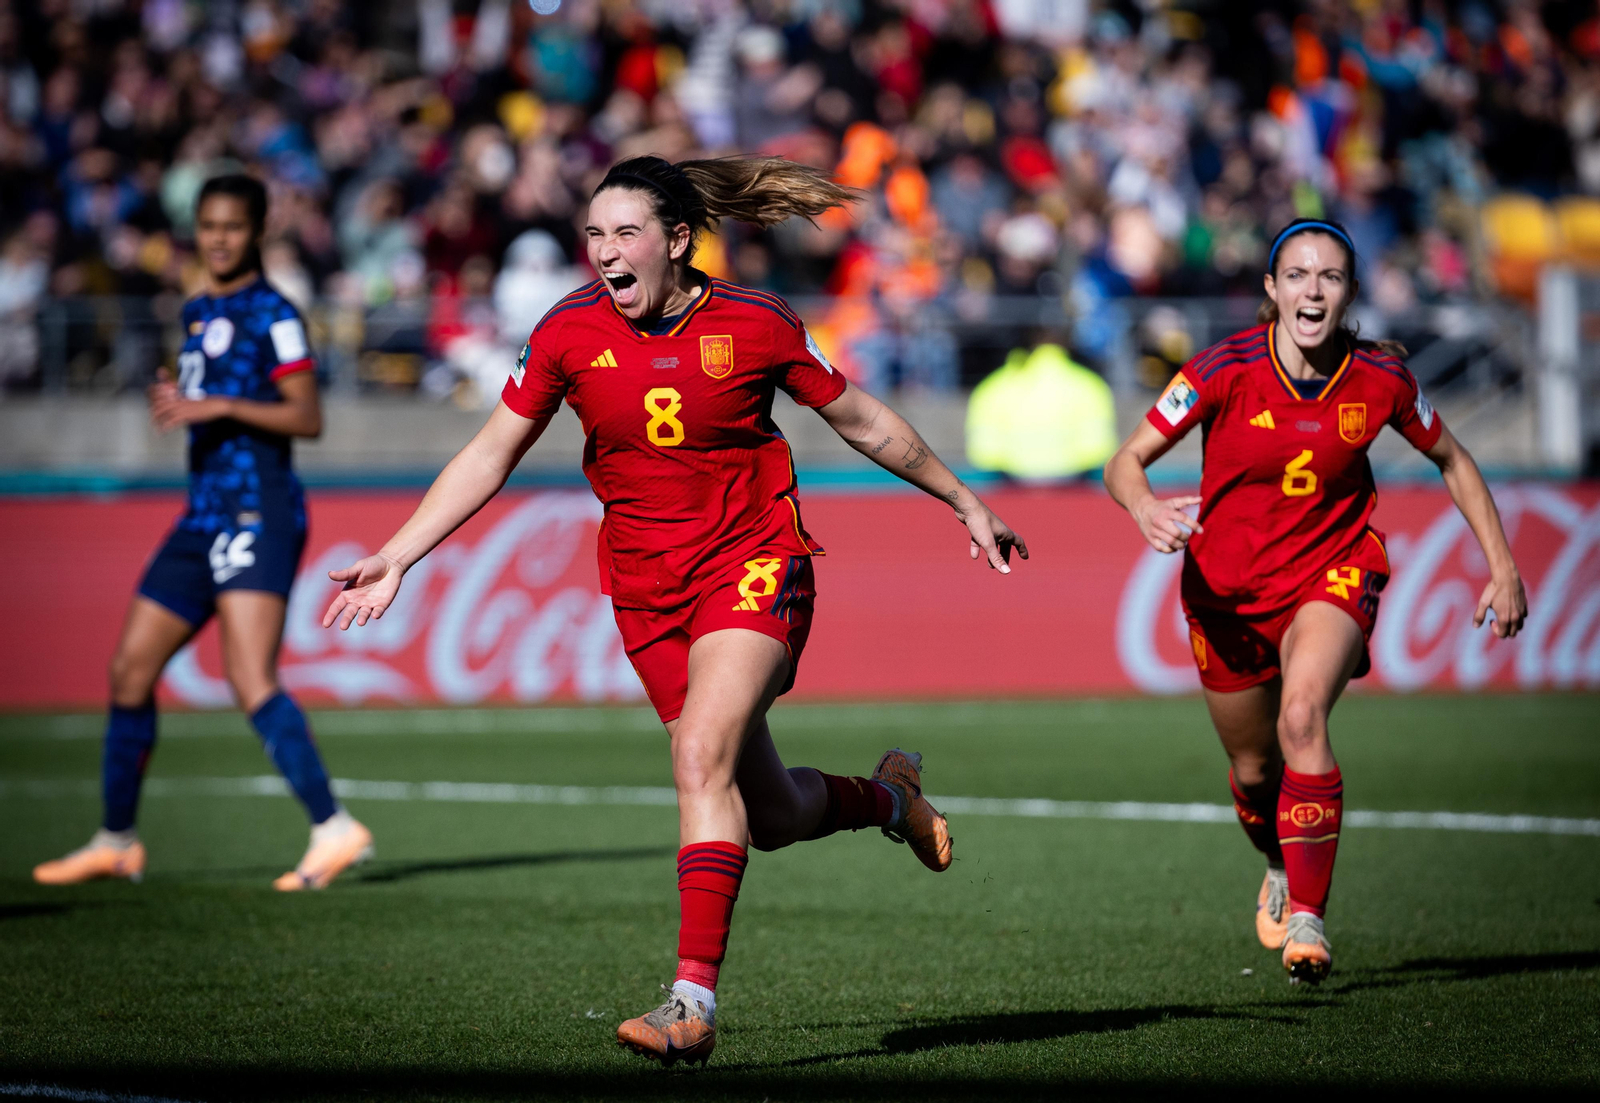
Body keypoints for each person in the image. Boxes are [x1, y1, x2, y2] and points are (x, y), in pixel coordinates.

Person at [321, 155, 1027, 1065]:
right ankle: (893, 798)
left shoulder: (756, 322)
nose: (605, 253)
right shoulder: (568, 332)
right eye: (594, 235)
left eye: (625, 234)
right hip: (647, 593)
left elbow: (862, 420)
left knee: (700, 753)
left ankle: (690, 1003)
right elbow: (491, 451)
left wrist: (963, 499)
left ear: (677, 241)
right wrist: (398, 555)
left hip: (757, 562)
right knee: (766, 814)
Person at [1103, 218, 1527, 984]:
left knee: (1303, 715)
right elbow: (1125, 459)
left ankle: (1309, 918)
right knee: (1254, 768)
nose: (1313, 289)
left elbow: (1454, 461)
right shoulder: (1220, 368)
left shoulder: (1382, 379)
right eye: (1297, 274)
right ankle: (1275, 859)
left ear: (1349, 292)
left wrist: (1502, 565)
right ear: (1271, 290)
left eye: (1330, 276)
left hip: (1333, 569)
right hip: (1227, 595)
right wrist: (1144, 508)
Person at [33, 175, 373, 892]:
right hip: (202, 514)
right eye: (208, 226)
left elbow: (306, 416)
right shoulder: (195, 310)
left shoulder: (274, 312)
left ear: (255, 232)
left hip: (259, 510)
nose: (218, 238)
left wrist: (215, 402)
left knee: (251, 677)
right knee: (129, 669)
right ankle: (117, 839)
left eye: (231, 226)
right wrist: (181, 400)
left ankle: (333, 827)